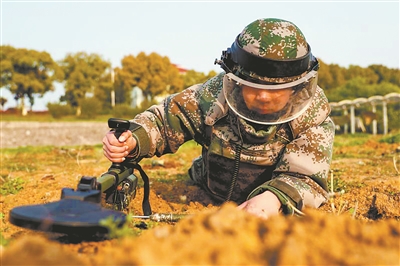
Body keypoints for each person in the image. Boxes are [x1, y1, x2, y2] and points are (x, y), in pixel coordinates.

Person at [103, 18, 335, 219]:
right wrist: (132, 138)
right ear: (234, 79)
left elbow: (306, 177)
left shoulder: (312, 115)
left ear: (296, 88)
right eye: (252, 85)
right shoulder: (211, 98)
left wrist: (274, 199)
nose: (263, 97)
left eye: (276, 89)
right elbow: (164, 120)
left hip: (269, 205)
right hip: (208, 189)